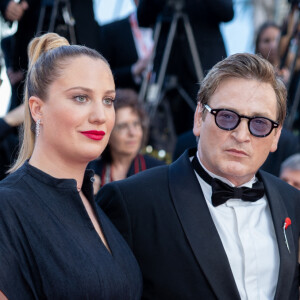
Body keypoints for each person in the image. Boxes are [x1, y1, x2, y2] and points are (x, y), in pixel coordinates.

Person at [97, 53, 300, 299]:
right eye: (226, 116)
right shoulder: (132, 203)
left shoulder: (293, 204)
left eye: (259, 124)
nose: (241, 135)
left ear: (275, 137)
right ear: (198, 118)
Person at [0, 32, 142, 300]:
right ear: (37, 109)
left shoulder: (96, 203)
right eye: (80, 98)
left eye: (108, 100)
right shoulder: (7, 208)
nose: (100, 116)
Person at [89, 88, 164, 194]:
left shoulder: (158, 171)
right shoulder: (91, 171)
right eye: (123, 126)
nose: (132, 133)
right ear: (107, 133)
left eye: (136, 124)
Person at [99, 0, 152, 91]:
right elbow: (101, 76)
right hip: (127, 99)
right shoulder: (111, 31)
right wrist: (133, 70)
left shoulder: (172, 28)